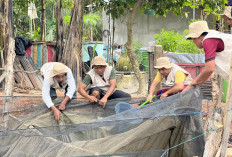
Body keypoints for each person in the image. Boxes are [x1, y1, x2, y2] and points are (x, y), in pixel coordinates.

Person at [184, 21, 232, 91]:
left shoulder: (208, 40)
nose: (194, 43)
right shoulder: (213, 36)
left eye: (193, 39)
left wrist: (192, 84)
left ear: (197, 37)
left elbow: (209, 68)